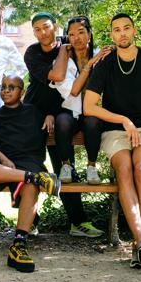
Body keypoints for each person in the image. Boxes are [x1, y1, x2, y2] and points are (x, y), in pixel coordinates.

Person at [84, 13, 141, 268]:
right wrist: (124, 120)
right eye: (117, 30)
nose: (122, 33)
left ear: (134, 31)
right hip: (115, 129)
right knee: (124, 168)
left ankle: (140, 242)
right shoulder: (105, 64)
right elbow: (89, 106)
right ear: (112, 35)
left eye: (126, 28)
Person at [23, 12, 103, 238]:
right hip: (34, 114)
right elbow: (57, 76)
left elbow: (73, 90)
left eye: (46, 27)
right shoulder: (33, 52)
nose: (43, 32)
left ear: (55, 26)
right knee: (29, 165)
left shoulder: (71, 43)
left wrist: (53, 113)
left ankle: (78, 222)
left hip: (60, 115)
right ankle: (29, 221)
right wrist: (64, 50)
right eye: (37, 29)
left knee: (66, 168)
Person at [0, 74, 61, 273]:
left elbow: (57, 99)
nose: (6, 90)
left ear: (22, 91)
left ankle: (19, 245)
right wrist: (3, 159)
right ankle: (32, 177)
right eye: (3, 87)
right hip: (1, 166)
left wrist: (51, 115)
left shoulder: (35, 112)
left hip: (29, 163)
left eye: (12, 87)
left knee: (32, 185)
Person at [50, 16, 105, 185]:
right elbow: (73, 91)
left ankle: (91, 166)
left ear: (89, 34)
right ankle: (66, 165)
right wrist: (90, 65)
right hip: (71, 111)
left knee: (93, 122)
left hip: (94, 111)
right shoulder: (62, 61)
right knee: (62, 121)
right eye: (72, 34)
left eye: (81, 32)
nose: (76, 38)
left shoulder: (102, 57)